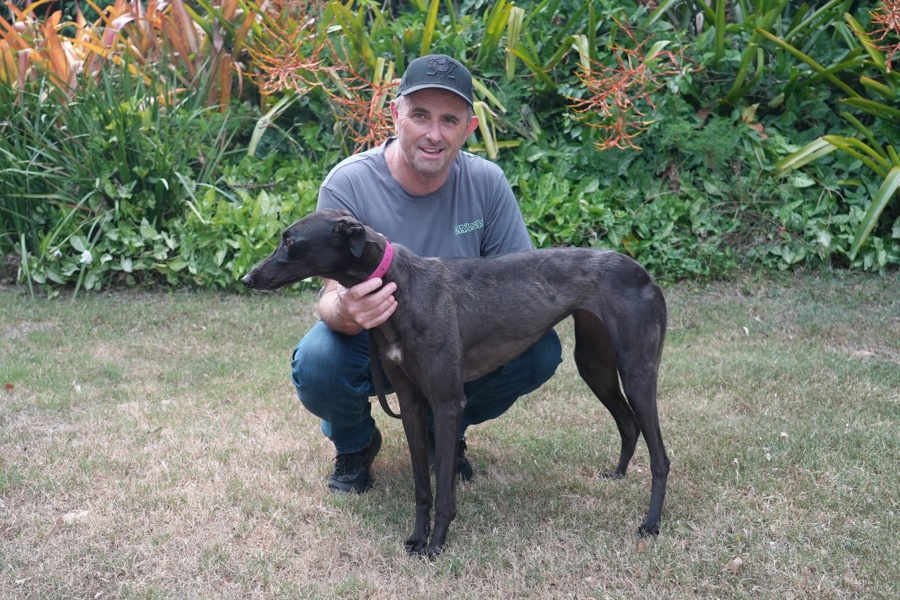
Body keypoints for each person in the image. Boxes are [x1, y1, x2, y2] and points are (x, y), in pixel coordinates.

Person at [291, 54, 562, 493]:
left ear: (468, 128)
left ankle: (443, 428)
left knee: (539, 349)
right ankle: (356, 444)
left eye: (449, 120)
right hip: (376, 341)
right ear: (396, 114)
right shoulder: (349, 184)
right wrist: (348, 308)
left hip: (457, 339)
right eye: (420, 115)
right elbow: (329, 296)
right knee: (318, 360)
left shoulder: (487, 183)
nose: (434, 134)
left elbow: (519, 287)